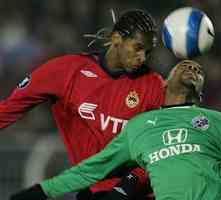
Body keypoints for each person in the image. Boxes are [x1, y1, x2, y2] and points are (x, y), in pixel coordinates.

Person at [10, 60, 221, 200]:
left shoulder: (218, 121)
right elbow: (91, 170)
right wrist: (42, 191)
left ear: (201, 94)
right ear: (164, 84)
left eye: (199, 70)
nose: (194, 66)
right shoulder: (140, 128)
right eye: (185, 64)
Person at [0, 9, 165, 200]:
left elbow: (161, 150)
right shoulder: (66, 71)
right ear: (117, 38)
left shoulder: (154, 85)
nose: (143, 57)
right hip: (92, 192)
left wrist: (127, 185)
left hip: (140, 192)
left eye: (148, 52)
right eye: (137, 48)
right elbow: (7, 110)